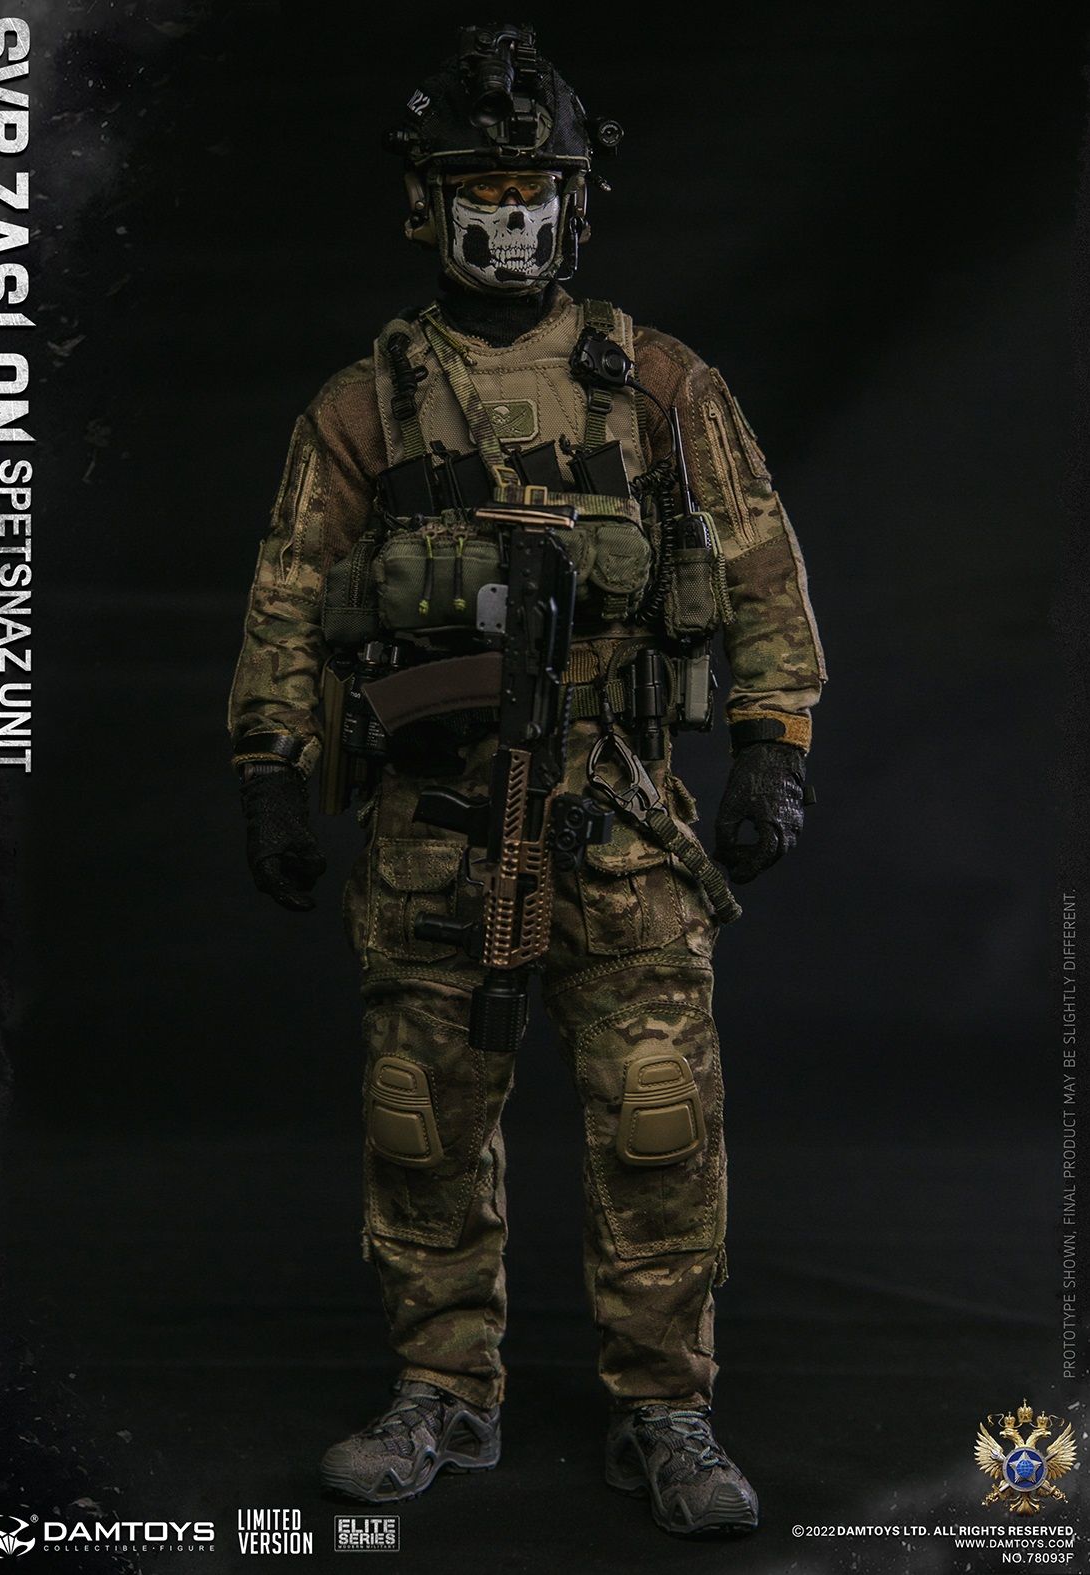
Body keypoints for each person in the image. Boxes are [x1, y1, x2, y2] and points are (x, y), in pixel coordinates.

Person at [227, 22, 825, 1538]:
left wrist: (772, 747)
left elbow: (763, 571)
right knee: (421, 1118)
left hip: (618, 821)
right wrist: (269, 768)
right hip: (434, 827)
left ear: (576, 201)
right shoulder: (366, 405)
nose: (507, 218)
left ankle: (665, 1407)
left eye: (531, 189)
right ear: (426, 205)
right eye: (477, 192)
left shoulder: (662, 385)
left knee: (657, 1119)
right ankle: (444, 1386)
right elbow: (290, 598)